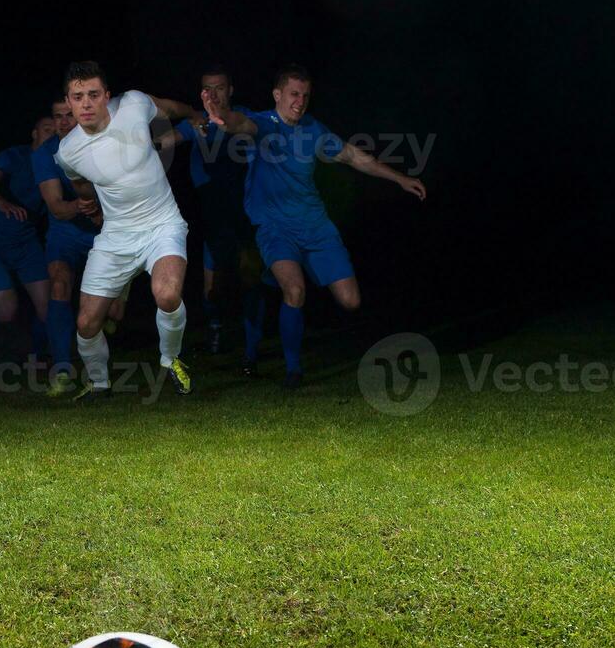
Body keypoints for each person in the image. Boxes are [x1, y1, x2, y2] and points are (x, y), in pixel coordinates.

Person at [204, 65, 428, 388]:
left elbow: (353, 156)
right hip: (276, 228)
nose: (300, 101)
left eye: (305, 95)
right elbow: (239, 123)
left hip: (315, 226)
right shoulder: (264, 124)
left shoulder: (313, 130)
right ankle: (293, 371)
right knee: (295, 291)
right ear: (277, 94)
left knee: (351, 301)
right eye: (294, 94)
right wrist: (220, 114)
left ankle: (271, 278)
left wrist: (400, 178)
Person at [54, 61, 203, 402]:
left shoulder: (133, 104)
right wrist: (89, 203)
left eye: (93, 94)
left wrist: (192, 113)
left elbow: (167, 107)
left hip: (162, 224)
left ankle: (171, 360)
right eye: (78, 97)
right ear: (69, 101)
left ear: (107, 96)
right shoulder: (68, 152)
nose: (86, 103)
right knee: (87, 323)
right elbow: (80, 185)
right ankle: (99, 383)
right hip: (116, 237)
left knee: (166, 295)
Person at [159, 65, 267, 372]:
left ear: (230, 90)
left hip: (245, 212)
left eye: (219, 87)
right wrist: (133, 148)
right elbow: (165, 141)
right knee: (212, 289)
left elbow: (245, 127)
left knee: (251, 279)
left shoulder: (245, 116)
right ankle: (216, 326)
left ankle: (251, 352)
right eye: (207, 89)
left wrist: (224, 124)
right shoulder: (197, 121)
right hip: (212, 214)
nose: (213, 94)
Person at [33, 97, 126, 397]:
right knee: (59, 284)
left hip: (106, 230)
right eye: (56, 116)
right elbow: (57, 208)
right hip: (66, 232)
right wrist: (84, 205)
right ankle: (62, 369)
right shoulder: (45, 153)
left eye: (67, 115)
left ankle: (111, 316)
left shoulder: (103, 144)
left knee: (114, 311)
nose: (62, 122)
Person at [0, 117, 55, 363]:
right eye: (46, 130)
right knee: (7, 311)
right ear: (34, 133)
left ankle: (41, 357)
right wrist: (1, 202)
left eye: (56, 131)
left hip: (26, 245)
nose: (52, 134)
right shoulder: (14, 156)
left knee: (48, 306)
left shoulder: (56, 166)